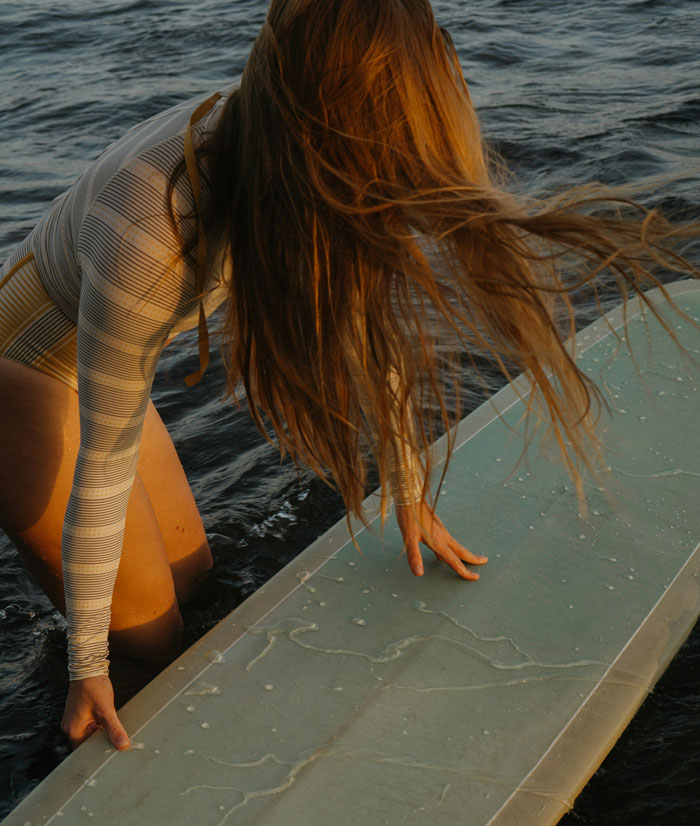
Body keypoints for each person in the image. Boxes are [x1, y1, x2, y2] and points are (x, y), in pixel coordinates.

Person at [0, 0, 697, 755]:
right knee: (145, 645)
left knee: (194, 580)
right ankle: (79, 764)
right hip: (22, 380)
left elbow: (368, 330)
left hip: (91, 364)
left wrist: (405, 487)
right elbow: (104, 462)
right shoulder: (153, 226)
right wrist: (87, 664)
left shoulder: (275, 149)